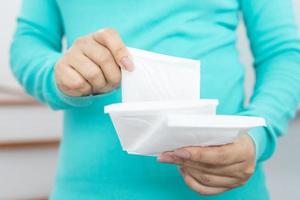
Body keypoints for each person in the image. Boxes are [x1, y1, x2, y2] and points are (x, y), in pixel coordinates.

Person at [10, 0, 300, 199]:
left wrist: (257, 136)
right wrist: (58, 73)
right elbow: (29, 41)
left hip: (227, 189)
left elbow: (285, 53)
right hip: (89, 189)